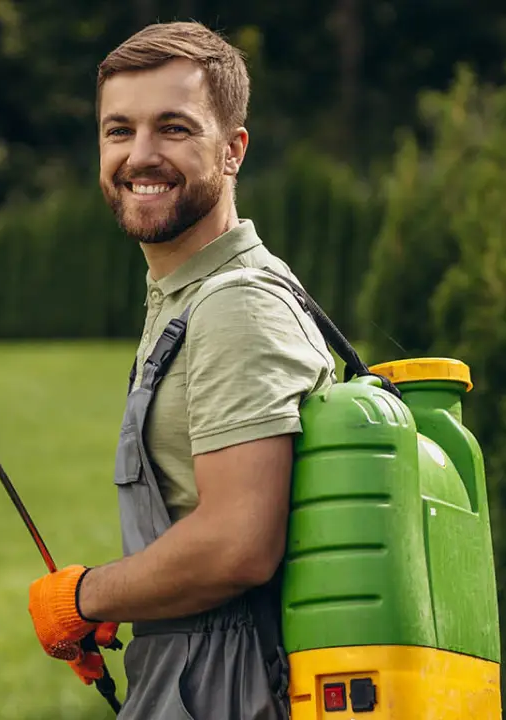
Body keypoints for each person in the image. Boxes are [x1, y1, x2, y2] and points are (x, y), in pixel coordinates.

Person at [24, 21, 338, 719]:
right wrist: (128, 597)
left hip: (236, 687)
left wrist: (83, 598)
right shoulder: (185, 297)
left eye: (172, 129)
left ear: (233, 151)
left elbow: (238, 543)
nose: (140, 155)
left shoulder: (235, 306)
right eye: (118, 130)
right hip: (193, 677)